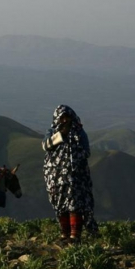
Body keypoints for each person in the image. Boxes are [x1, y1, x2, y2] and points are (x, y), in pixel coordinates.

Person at [42, 104, 98, 243]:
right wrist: (61, 135)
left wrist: (74, 155)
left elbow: (86, 151)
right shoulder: (52, 132)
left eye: (67, 117)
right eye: (62, 118)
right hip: (55, 176)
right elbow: (45, 146)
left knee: (75, 203)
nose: (65, 121)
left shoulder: (79, 132)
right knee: (60, 205)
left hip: (75, 176)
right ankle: (64, 234)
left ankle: (74, 235)